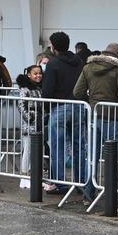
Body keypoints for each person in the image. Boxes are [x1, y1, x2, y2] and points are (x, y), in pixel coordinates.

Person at [73, 42, 118, 199]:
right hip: (113, 116)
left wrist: (92, 102)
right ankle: (111, 195)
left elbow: (77, 92)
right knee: (111, 155)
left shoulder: (88, 67)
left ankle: (88, 193)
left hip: (93, 114)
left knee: (91, 155)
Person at [42, 32, 86, 195]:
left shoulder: (53, 64)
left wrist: (47, 108)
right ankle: (81, 181)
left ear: (53, 46)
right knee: (79, 146)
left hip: (59, 107)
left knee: (57, 147)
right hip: (78, 106)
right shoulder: (79, 62)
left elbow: (47, 90)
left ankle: (59, 183)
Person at [14, 63, 44, 189]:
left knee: (36, 151)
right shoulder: (25, 89)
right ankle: (24, 176)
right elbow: (21, 105)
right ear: (29, 75)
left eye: (40, 73)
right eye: (35, 73)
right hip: (29, 124)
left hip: (40, 122)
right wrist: (30, 118)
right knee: (27, 150)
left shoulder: (40, 88)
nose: (38, 76)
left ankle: (32, 175)